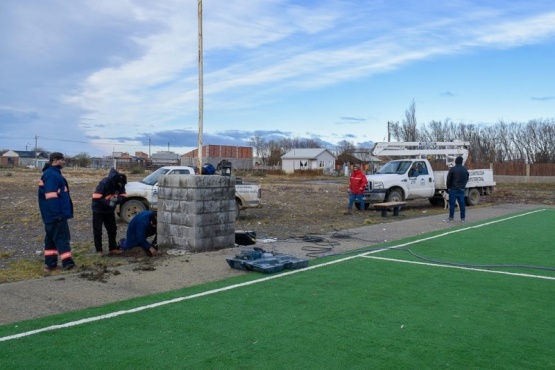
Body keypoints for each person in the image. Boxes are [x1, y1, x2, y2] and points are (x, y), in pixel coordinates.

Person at [38, 152, 77, 271]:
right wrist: (57, 214)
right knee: (62, 237)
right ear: (55, 160)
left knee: (50, 239)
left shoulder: (51, 173)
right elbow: (51, 196)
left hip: (50, 215)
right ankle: (68, 263)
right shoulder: (52, 175)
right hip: (55, 215)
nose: (64, 162)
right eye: (62, 159)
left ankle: (50, 265)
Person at [92, 168, 127, 255]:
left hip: (109, 211)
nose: (120, 186)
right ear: (115, 181)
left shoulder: (121, 183)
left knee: (112, 229)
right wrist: (108, 203)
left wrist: (117, 200)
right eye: (119, 184)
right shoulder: (104, 182)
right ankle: (99, 250)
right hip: (98, 210)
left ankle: (112, 248)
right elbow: (96, 196)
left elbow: (123, 196)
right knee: (98, 230)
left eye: (122, 185)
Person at [445, 156, 470, 223]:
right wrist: (463, 185)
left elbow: (448, 179)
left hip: (453, 189)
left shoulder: (452, 169)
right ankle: (463, 218)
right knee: (462, 204)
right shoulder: (465, 169)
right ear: (462, 162)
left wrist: (448, 188)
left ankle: (451, 218)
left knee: (452, 204)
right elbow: (467, 178)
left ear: (456, 161)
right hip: (461, 189)